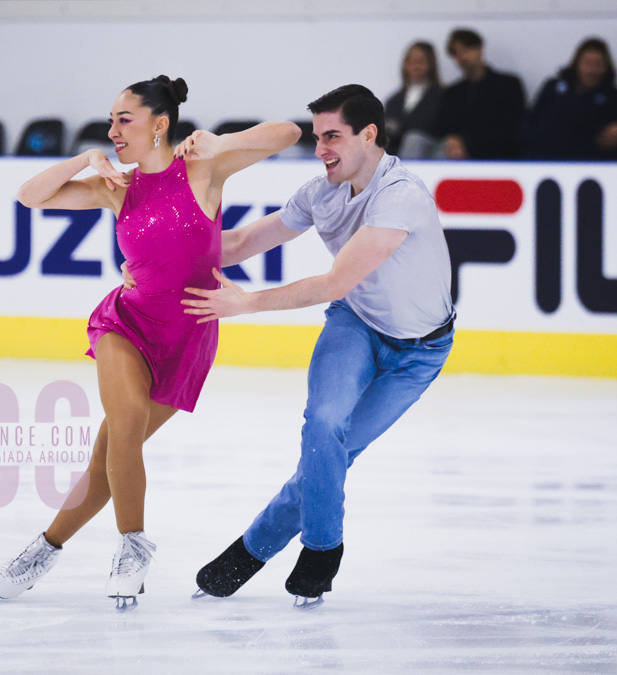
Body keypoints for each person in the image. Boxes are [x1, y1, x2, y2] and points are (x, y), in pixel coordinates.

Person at [0, 75, 300, 609]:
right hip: (126, 323)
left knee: (110, 454)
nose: (114, 130)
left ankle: (45, 546)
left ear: (160, 123)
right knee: (125, 423)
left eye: (124, 120)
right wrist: (86, 157)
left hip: (188, 339)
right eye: (110, 121)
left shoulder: (203, 170)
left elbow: (289, 133)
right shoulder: (118, 187)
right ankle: (134, 546)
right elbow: (29, 196)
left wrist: (221, 142)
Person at [182, 84, 454, 606]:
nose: (320, 148)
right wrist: (163, 256)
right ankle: (323, 548)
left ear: (369, 134)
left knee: (332, 454)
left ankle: (251, 550)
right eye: (316, 137)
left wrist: (248, 304)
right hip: (354, 326)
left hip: (417, 357)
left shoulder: (402, 196)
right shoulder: (318, 193)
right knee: (324, 426)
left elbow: (333, 282)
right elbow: (239, 243)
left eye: (333, 136)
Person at [403, 28, 525, 159]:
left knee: (445, 153)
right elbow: (440, 129)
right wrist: (452, 140)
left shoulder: (507, 85)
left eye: (466, 49)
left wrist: (467, 144)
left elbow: (512, 129)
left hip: (489, 152)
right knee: (414, 139)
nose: (461, 57)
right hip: (453, 149)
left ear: (479, 49)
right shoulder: (453, 92)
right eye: (456, 53)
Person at [520, 37, 617, 160]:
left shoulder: (614, 98)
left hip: (586, 165)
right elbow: (531, 121)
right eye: (587, 63)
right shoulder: (553, 87)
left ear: (606, 67)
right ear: (576, 64)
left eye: (598, 64)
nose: (591, 70)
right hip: (541, 161)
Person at [382, 41, 444, 157]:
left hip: (428, 151)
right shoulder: (394, 100)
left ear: (431, 64)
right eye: (410, 61)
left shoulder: (442, 96)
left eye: (420, 61)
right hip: (397, 153)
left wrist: (398, 128)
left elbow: (432, 128)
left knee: (413, 140)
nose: (415, 66)